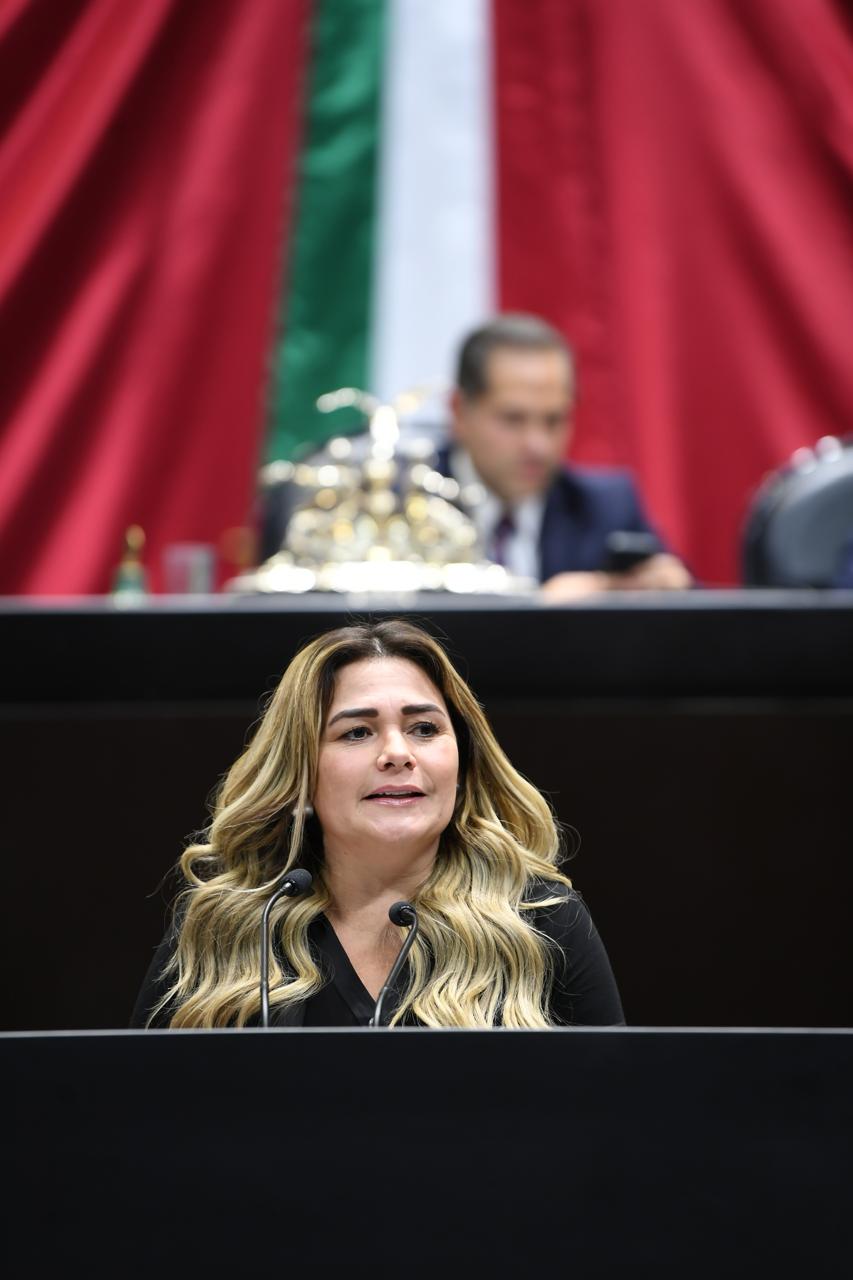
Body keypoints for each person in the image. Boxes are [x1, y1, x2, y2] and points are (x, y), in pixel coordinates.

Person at [132, 619, 623, 1029]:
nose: (397, 753)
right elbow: (140, 1103)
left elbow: (611, 1105)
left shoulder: (540, 920)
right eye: (357, 732)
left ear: (463, 764)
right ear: (300, 772)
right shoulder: (229, 923)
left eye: (424, 729)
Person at [443, 313, 692, 599]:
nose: (537, 445)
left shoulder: (607, 507)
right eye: (513, 419)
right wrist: (543, 612)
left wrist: (662, 589)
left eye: (554, 420)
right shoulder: (408, 503)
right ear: (459, 412)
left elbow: (692, 604)